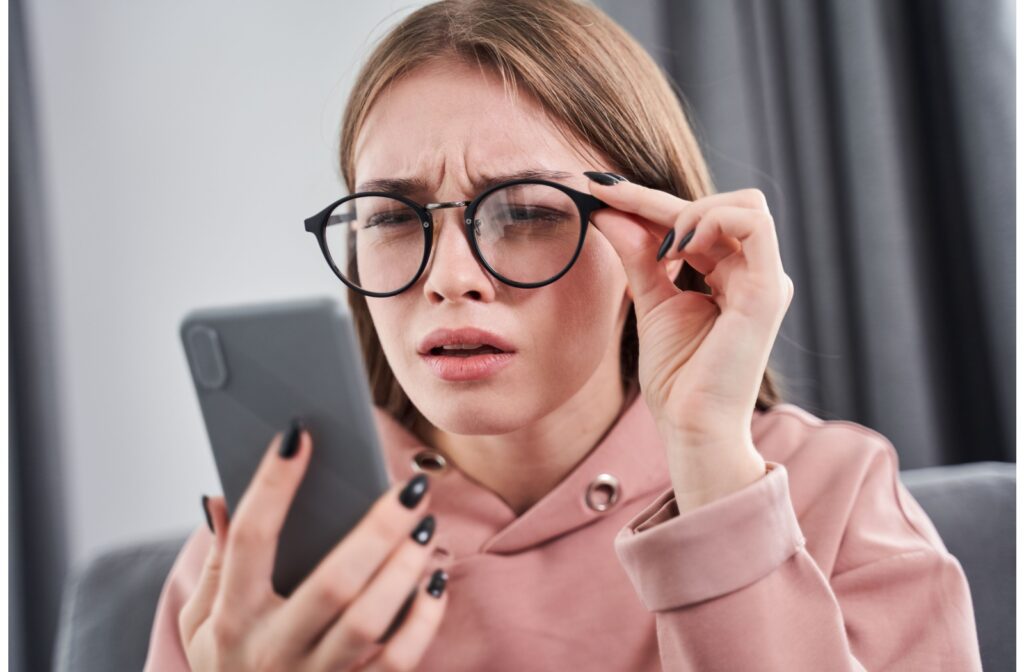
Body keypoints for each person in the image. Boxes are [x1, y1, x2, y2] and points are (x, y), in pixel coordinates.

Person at [143, 1, 984, 669]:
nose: (449, 276)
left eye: (527, 213)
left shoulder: (837, 495)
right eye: (394, 216)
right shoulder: (260, 562)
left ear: (655, 234)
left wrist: (711, 469)